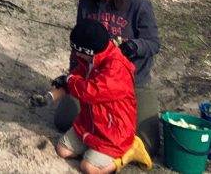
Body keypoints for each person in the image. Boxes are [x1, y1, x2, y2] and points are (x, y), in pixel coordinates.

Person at [55, 0, 162, 156]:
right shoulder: (87, 3)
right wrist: (70, 76)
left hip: (132, 83)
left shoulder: (139, 5)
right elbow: (79, 45)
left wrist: (134, 47)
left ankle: (114, 148)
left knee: (148, 142)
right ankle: (96, 142)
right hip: (94, 79)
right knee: (63, 120)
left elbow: (153, 43)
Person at [33, 19, 151, 174]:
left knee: (88, 168)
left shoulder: (117, 68)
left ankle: (128, 153)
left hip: (113, 131)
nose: (75, 54)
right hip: (89, 124)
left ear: (89, 51)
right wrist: (49, 96)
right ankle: (94, 151)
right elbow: (75, 79)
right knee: (62, 150)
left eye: (78, 50)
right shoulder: (90, 61)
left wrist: (70, 80)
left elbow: (91, 92)